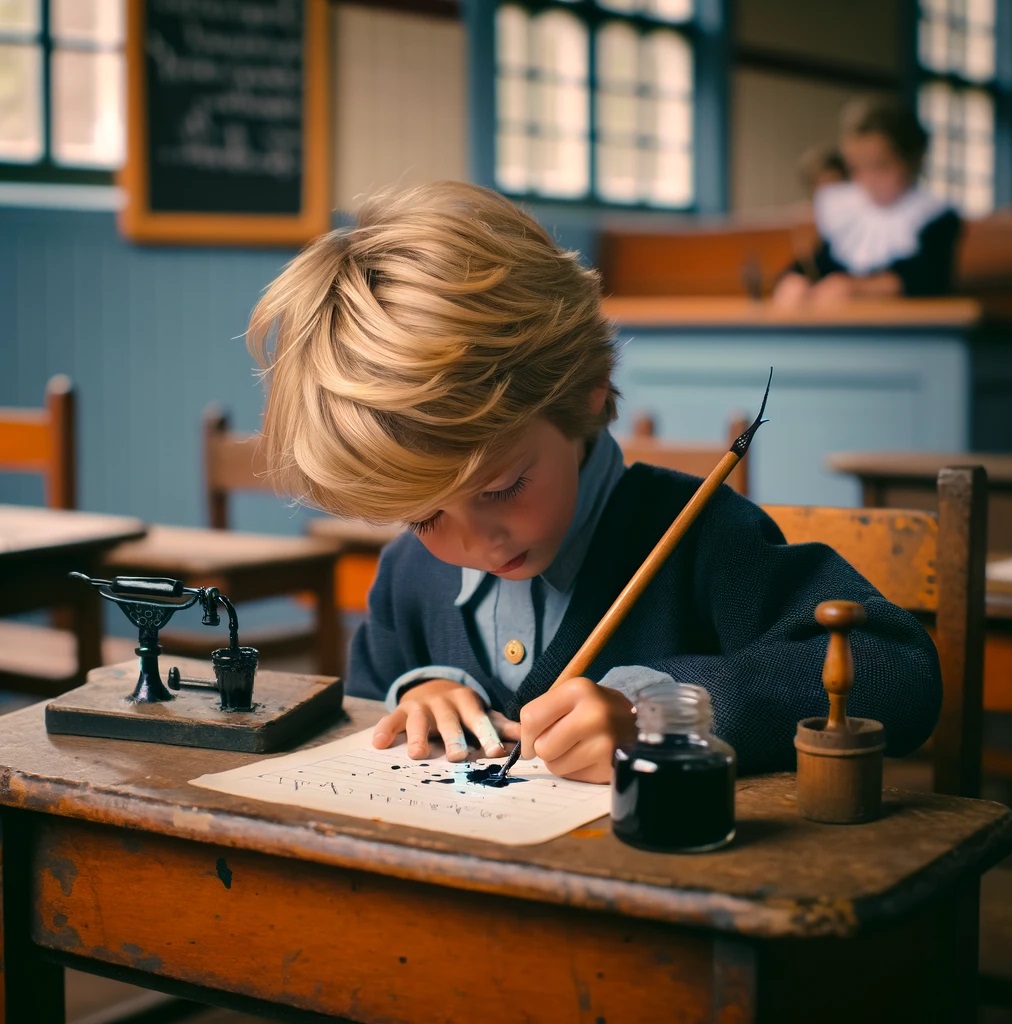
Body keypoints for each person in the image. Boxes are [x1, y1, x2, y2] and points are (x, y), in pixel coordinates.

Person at [247, 181, 941, 783]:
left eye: (502, 488)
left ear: (586, 390)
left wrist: (668, 714)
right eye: (426, 518)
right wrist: (421, 695)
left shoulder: (696, 536)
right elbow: (371, 701)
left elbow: (898, 673)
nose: (478, 540)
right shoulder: (408, 577)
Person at [775, 96, 961, 307]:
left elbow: (928, 280)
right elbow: (820, 263)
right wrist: (794, 280)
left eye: (880, 166)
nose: (868, 180)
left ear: (912, 161)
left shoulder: (934, 216)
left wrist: (858, 288)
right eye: (857, 168)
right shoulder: (850, 214)